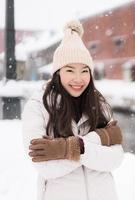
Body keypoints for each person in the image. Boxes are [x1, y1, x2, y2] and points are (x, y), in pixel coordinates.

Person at [22, 20, 124, 200]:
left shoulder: (98, 103)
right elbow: (46, 167)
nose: (79, 78)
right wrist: (100, 138)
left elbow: (115, 159)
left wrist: (69, 148)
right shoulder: (38, 106)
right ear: (58, 72)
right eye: (70, 70)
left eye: (85, 71)